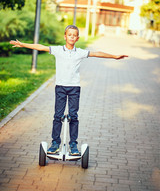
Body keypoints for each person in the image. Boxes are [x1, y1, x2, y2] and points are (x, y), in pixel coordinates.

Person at [10, 25, 128, 156]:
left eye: (74, 35)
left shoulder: (80, 52)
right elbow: (41, 47)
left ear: (77, 38)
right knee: (57, 116)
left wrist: (114, 56)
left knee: (73, 116)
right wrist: (23, 45)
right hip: (60, 87)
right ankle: (55, 143)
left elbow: (96, 53)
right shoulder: (58, 50)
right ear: (65, 36)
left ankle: (73, 144)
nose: (72, 37)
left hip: (74, 89)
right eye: (69, 34)